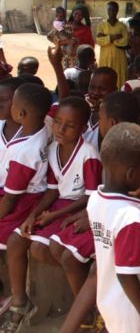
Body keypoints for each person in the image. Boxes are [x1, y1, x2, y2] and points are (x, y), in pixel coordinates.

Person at [4, 96, 101, 332]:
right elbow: (52, 190)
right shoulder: (52, 149)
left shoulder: (88, 154)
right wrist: (34, 215)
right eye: (57, 122)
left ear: (82, 129)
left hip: (79, 208)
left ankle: (85, 307)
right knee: (17, 241)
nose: (60, 129)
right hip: (58, 206)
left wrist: (55, 216)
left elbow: (90, 197)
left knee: (50, 250)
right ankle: (20, 302)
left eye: (70, 125)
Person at [53, 91, 140, 332]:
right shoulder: (112, 145)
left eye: (99, 118)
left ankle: (95, 312)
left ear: (112, 122)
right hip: (105, 215)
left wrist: (91, 215)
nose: (97, 122)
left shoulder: (128, 153)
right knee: (62, 251)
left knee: (76, 260)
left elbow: (127, 198)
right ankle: (90, 311)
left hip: (119, 224)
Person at [88, 122, 140, 333]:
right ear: (131, 174)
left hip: (109, 300)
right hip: (132, 311)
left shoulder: (96, 199)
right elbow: (126, 273)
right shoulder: (131, 218)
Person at [96, 1, 129, 88]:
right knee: (105, 78)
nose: (112, 12)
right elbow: (99, 40)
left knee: (119, 78)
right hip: (105, 57)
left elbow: (125, 41)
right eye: (110, 9)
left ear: (117, 11)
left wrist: (106, 37)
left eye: (114, 10)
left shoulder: (123, 26)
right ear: (107, 11)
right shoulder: (101, 25)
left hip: (119, 57)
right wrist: (113, 37)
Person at [83, 67, 119, 148]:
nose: (96, 93)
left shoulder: (115, 118)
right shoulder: (82, 111)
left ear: (115, 91)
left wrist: (101, 110)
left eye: (103, 89)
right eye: (92, 87)